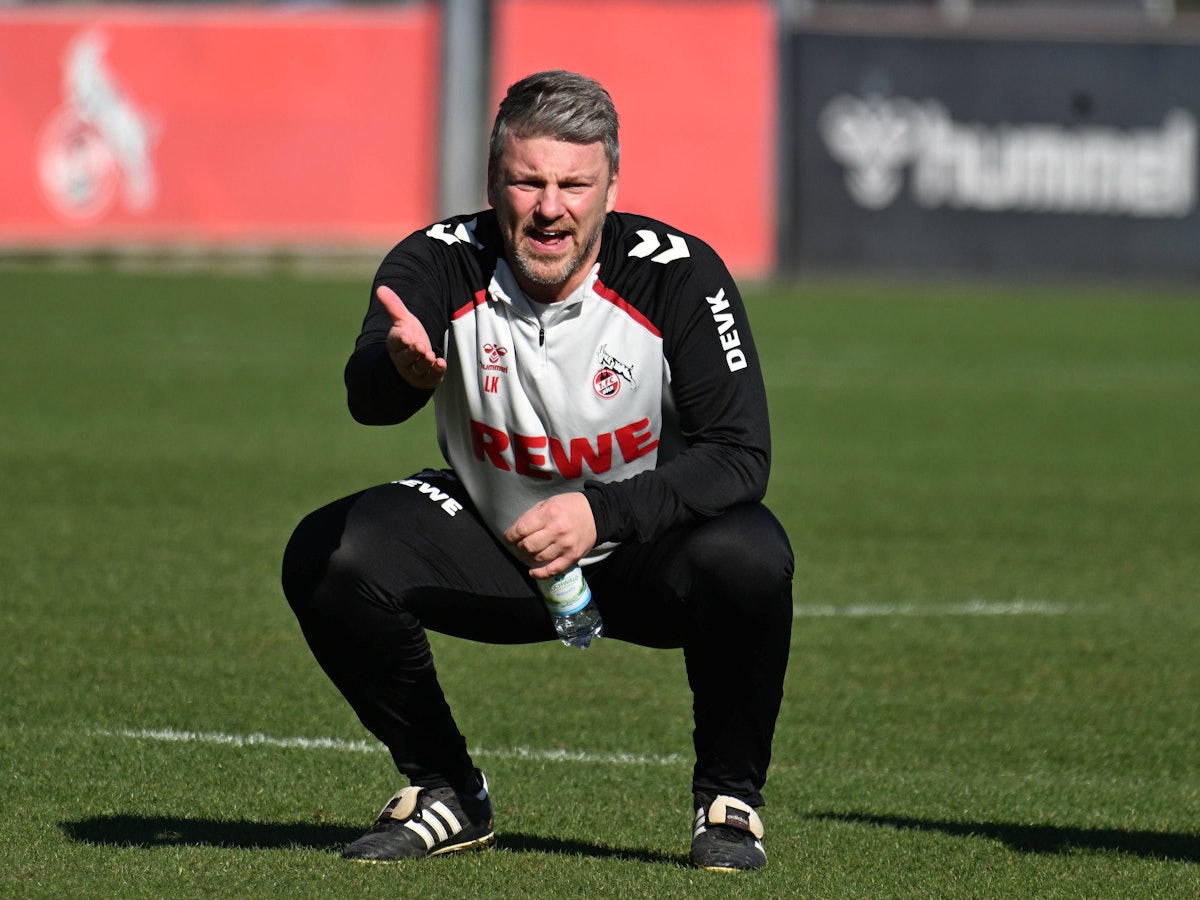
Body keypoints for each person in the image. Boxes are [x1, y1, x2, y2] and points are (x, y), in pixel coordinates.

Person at [281, 69, 793, 872]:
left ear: (611, 186)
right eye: (527, 181)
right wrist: (399, 375)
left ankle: (729, 805)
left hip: (640, 546)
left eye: (574, 184)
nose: (550, 207)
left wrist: (604, 514)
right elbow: (366, 396)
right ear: (494, 184)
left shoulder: (680, 274)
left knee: (750, 553)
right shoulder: (438, 260)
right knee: (328, 553)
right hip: (493, 534)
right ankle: (446, 788)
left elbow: (740, 452)